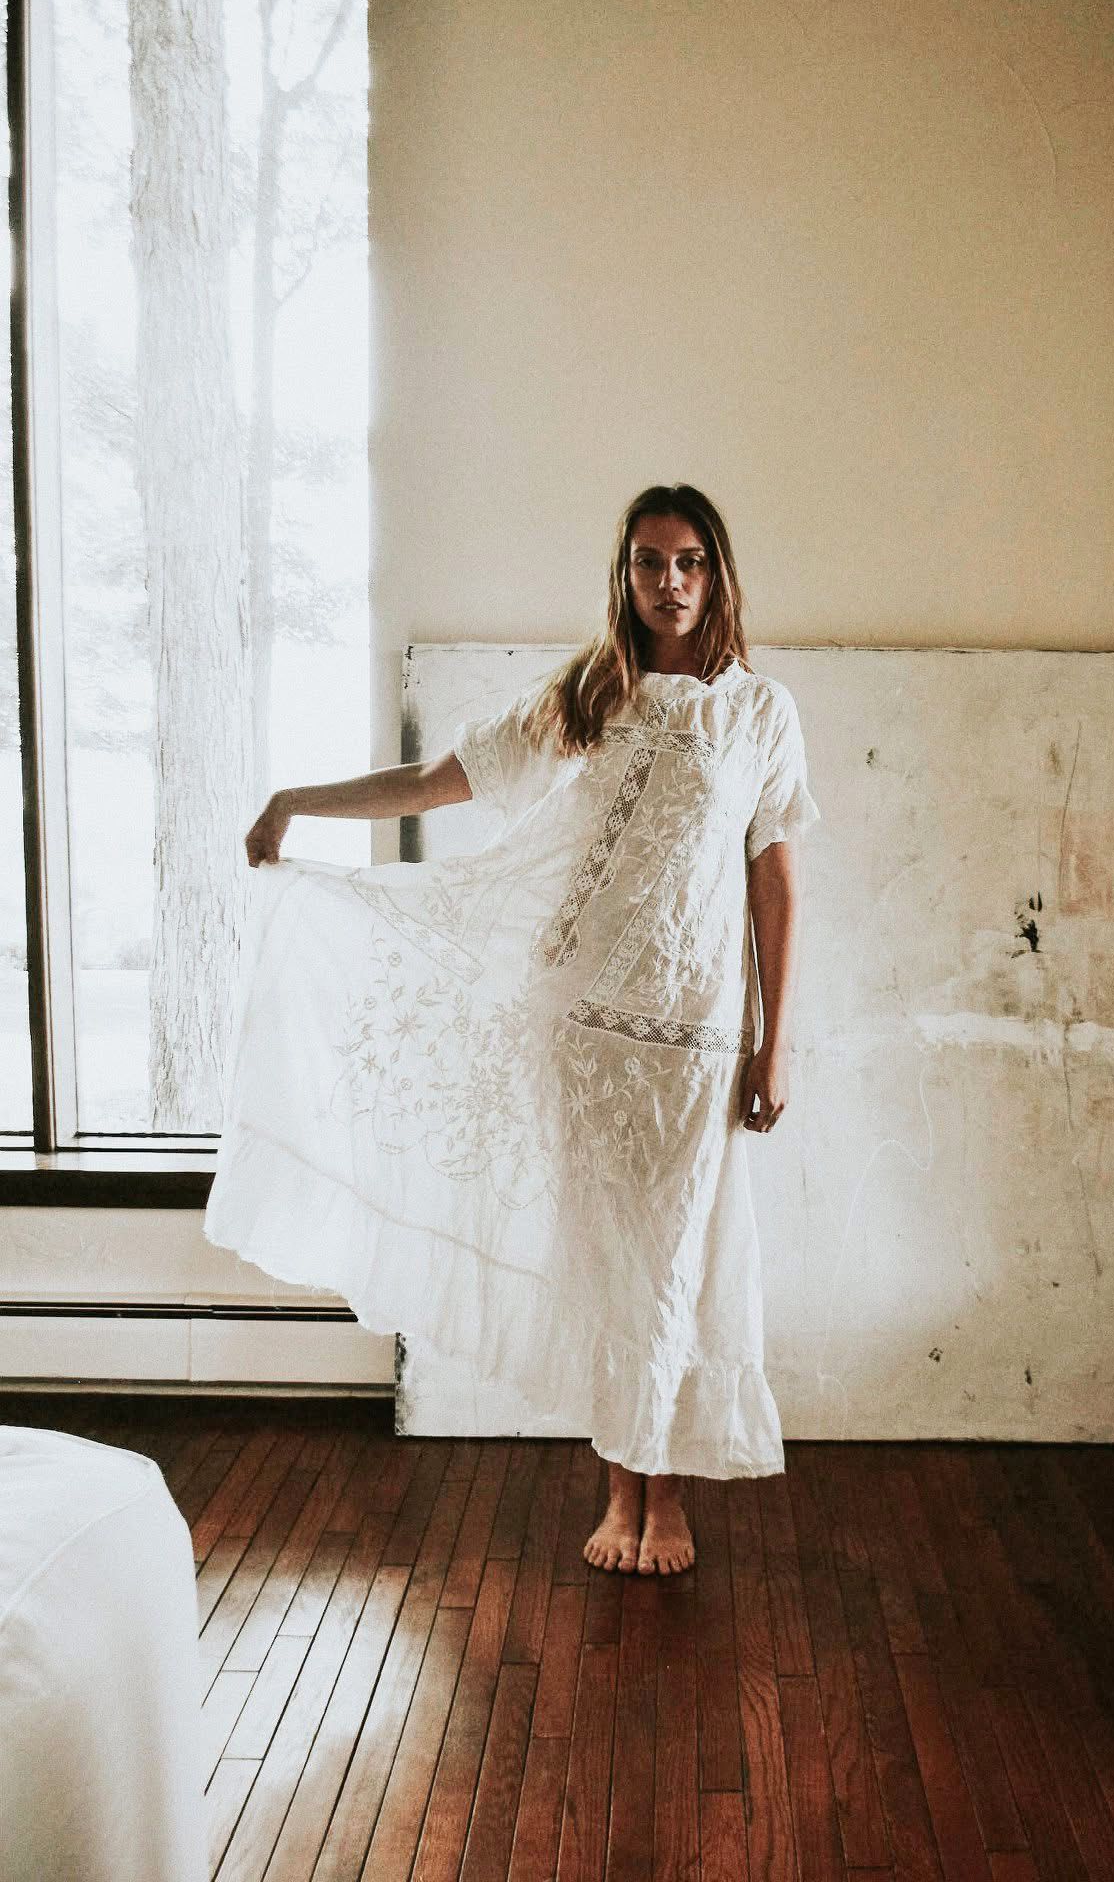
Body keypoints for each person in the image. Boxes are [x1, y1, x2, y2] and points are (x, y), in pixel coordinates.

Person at [207, 483, 820, 1577]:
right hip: (577, 1028)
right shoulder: (587, 696)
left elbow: (775, 884)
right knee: (605, 1258)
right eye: (647, 562)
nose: (668, 583)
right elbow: (442, 783)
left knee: (673, 1256)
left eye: (688, 563)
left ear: (717, 574)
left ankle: (660, 1493)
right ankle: (617, 1486)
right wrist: (296, 798)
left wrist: (775, 1044)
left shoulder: (760, 714)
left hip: (692, 1040)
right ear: (623, 575)